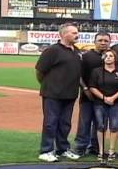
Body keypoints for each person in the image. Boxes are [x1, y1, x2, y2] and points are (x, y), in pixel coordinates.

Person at [35, 23, 81, 162]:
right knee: (50, 123)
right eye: (73, 33)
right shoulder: (52, 50)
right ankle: (46, 150)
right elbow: (40, 71)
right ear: (64, 34)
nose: (77, 35)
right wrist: (49, 85)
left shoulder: (76, 51)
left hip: (70, 93)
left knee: (65, 123)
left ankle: (62, 149)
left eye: (76, 32)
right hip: (53, 94)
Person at [74, 32, 111, 156]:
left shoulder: (112, 56)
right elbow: (78, 75)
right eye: (100, 40)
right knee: (84, 122)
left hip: (105, 97)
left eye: (106, 41)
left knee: (101, 124)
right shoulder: (87, 56)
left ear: (109, 43)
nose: (103, 43)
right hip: (88, 96)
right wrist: (85, 88)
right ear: (95, 42)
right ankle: (80, 147)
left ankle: (95, 147)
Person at [89, 50, 118, 161]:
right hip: (100, 102)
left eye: (111, 56)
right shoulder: (96, 71)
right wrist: (104, 98)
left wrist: (113, 98)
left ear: (115, 58)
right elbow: (92, 86)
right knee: (101, 126)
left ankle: (112, 151)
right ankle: (101, 151)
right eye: (105, 56)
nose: (108, 57)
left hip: (117, 102)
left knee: (114, 126)